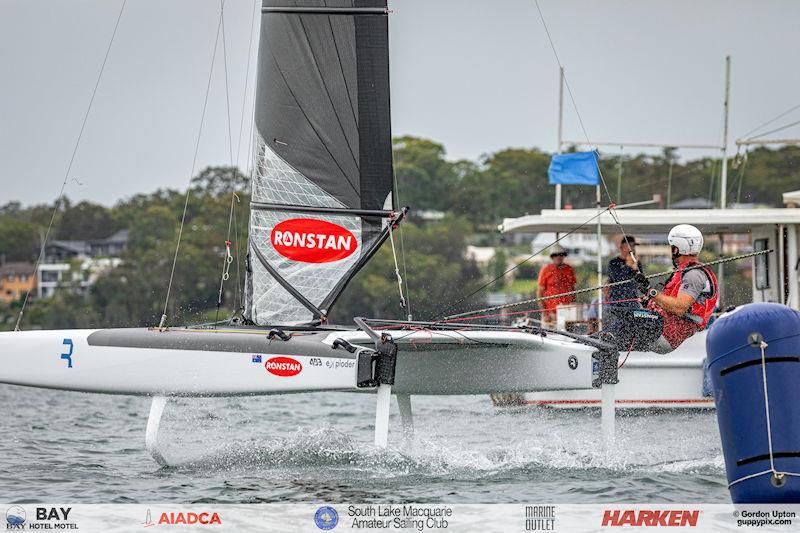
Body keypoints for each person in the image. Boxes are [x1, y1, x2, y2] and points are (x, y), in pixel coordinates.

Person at [599, 224, 718, 354]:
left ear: (677, 249)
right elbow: (667, 302)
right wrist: (647, 298)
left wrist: (651, 292)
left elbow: (680, 307)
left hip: (666, 334)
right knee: (620, 313)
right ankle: (599, 344)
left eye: (672, 247)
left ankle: (596, 344)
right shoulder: (685, 271)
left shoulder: (693, 275)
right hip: (659, 326)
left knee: (628, 316)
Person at [536, 244, 577, 327]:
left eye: (560, 254)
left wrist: (572, 309)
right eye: (555, 255)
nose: (558, 257)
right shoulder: (546, 270)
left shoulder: (569, 269)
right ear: (552, 257)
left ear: (564, 256)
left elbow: (573, 290)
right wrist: (544, 313)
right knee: (549, 337)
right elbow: (539, 294)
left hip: (567, 312)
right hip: (551, 314)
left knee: (569, 338)